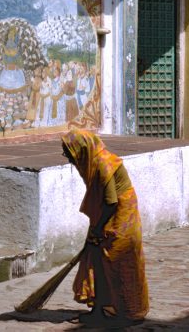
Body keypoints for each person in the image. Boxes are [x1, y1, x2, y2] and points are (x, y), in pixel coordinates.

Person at [61, 129, 149, 325]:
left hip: (121, 217)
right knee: (97, 259)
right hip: (108, 214)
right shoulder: (93, 163)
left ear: (81, 150)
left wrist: (98, 228)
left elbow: (111, 202)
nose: (68, 158)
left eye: (69, 152)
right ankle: (99, 309)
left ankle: (128, 311)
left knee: (119, 260)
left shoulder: (103, 164)